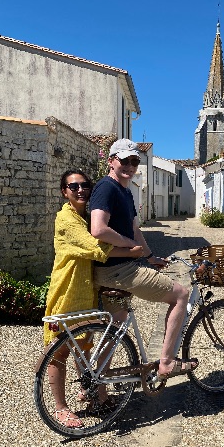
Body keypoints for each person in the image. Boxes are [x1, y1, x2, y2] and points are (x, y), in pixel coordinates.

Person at [90, 139, 198, 380]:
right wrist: (131, 246)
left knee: (117, 325)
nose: (130, 165)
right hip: (119, 270)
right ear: (111, 161)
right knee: (180, 294)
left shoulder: (125, 192)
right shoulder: (107, 188)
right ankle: (167, 363)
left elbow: (135, 229)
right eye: (125, 160)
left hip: (112, 270)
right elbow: (98, 229)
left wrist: (149, 256)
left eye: (135, 161)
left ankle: (96, 385)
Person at [44, 169, 144, 428]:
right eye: (73, 186)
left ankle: (92, 395)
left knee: (83, 350)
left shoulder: (86, 217)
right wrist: (132, 251)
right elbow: (95, 248)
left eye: (84, 185)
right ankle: (60, 408)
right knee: (59, 352)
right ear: (64, 191)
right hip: (66, 293)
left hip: (86, 293)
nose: (80, 190)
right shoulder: (66, 220)